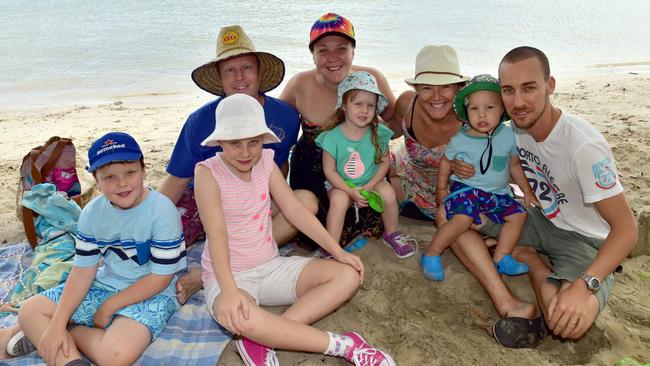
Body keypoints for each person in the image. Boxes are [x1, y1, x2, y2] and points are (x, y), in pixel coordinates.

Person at [450, 46, 638, 347]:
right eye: (509, 91)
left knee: (566, 322)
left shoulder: (583, 147)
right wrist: (466, 168)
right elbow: (500, 166)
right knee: (456, 218)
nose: (518, 102)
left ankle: (531, 260)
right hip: (539, 219)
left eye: (529, 88)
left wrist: (585, 285)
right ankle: (506, 300)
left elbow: (627, 230)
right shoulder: (511, 132)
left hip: (585, 239)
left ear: (550, 86)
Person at [196, 93, 395, 366]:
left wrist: (337, 251)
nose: (245, 152)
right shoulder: (207, 172)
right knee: (240, 317)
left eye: (253, 141)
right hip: (230, 278)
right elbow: (216, 232)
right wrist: (229, 292)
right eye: (235, 143)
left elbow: (296, 211)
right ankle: (343, 345)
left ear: (262, 139)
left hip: (270, 265)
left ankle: (264, 338)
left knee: (348, 275)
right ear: (220, 141)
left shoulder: (265, 160)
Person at [159, 25, 318, 303]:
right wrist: (141, 219)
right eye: (229, 70)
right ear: (220, 78)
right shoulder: (199, 121)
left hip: (253, 202)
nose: (240, 77)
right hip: (204, 202)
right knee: (156, 246)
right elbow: (176, 181)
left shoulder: (286, 117)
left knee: (305, 202)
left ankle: (208, 274)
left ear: (259, 73)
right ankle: (214, 268)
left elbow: (279, 165)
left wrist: (276, 201)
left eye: (247, 67)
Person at [16, 132, 187, 365]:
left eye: (130, 172)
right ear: (96, 180)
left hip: (151, 293)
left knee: (117, 356)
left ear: (144, 170)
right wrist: (56, 324)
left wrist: (110, 306)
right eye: (109, 177)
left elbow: (161, 277)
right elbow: (83, 271)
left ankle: (70, 331)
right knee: (29, 311)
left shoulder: (162, 211)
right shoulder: (92, 213)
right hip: (104, 285)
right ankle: (71, 360)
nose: (122, 183)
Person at [280, 13, 396, 243]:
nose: (333, 58)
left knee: (382, 212)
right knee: (312, 233)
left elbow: (391, 122)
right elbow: (280, 135)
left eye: (341, 48)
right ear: (312, 55)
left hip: (364, 172)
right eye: (323, 50)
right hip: (312, 174)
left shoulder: (371, 79)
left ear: (353, 51)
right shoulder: (298, 84)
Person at [420, 74, 538, 280]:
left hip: (497, 194)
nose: (481, 115)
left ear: (502, 109)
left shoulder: (508, 135)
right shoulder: (460, 140)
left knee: (519, 215)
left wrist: (527, 191)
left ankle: (502, 257)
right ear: (466, 112)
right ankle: (432, 253)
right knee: (463, 219)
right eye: (474, 109)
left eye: (489, 108)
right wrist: (441, 189)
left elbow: (514, 164)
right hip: (466, 191)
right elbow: (446, 162)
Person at [316, 71, 417, 258]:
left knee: (387, 192)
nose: (364, 110)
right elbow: (329, 171)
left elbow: (384, 162)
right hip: (342, 184)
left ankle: (392, 233)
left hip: (372, 180)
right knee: (338, 201)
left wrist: (370, 186)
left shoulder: (378, 133)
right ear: (344, 106)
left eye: (370, 105)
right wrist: (349, 191)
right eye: (358, 104)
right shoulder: (332, 137)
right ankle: (331, 245)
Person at [387, 45, 470, 222]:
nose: (436, 96)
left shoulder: (474, 114)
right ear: (416, 88)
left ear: (459, 87)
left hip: (453, 195)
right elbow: (386, 134)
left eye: (445, 87)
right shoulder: (407, 103)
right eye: (427, 88)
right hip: (406, 183)